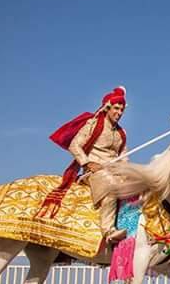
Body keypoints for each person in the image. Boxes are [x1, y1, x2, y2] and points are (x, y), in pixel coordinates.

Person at [38, 87, 129, 245]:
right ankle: (109, 231)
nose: (119, 113)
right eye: (116, 108)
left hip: (114, 171)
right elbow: (75, 145)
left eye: (122, 110)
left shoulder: (122, 133)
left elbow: (123, 157)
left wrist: (128, 172)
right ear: (107, 108)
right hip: (94, 172)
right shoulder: (93, 125)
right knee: (113, 187)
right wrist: (87, 163)